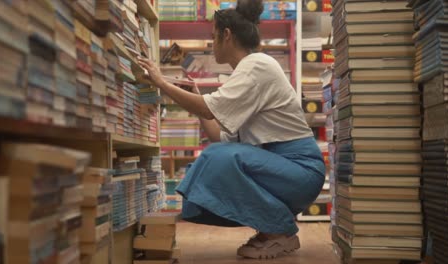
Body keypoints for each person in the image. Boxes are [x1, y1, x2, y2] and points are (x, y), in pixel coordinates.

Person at [138, 0, 325, 259]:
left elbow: (208, 111)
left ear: (227, 35)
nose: (211, 43)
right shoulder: (246, 72)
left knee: (217, 158)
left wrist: (160, 82)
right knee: (217, 155)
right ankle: (271, 229)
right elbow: (218, 135)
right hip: (283, 170)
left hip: (300, 170)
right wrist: (195, 98)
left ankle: (280, 231)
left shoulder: (257, 64)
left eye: (213, 36)